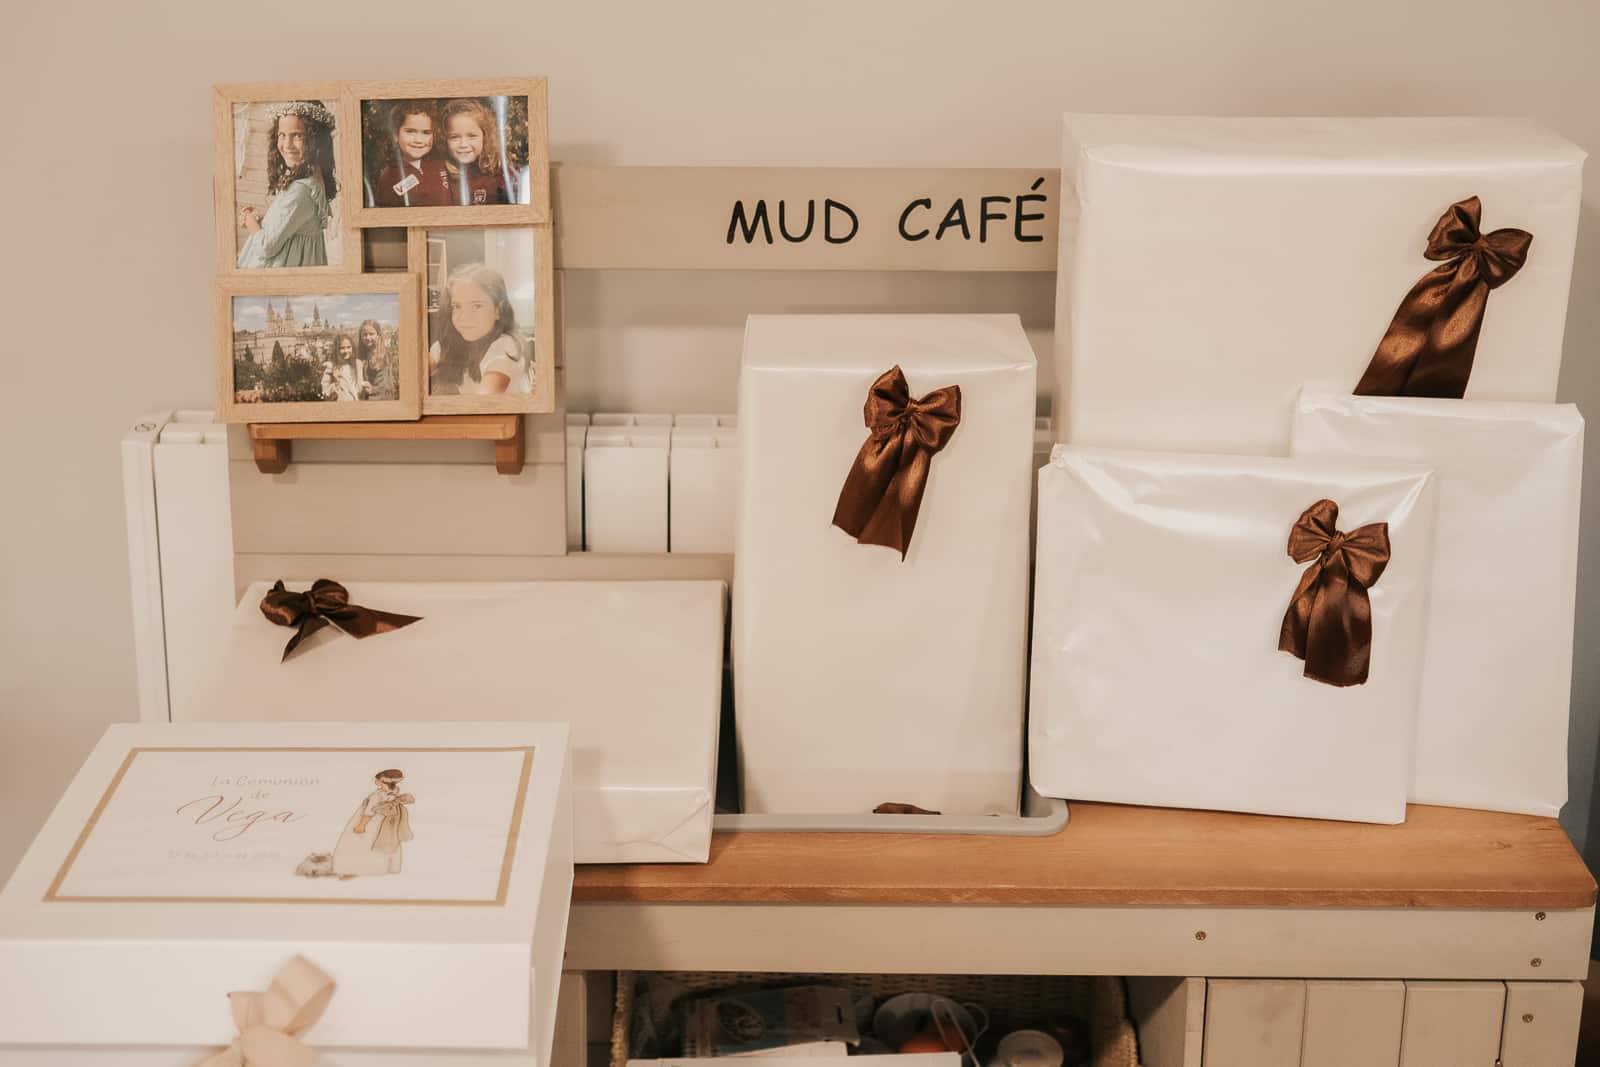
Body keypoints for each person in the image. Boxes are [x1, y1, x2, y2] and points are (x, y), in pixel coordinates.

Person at [236, 100, 339, 269]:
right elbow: (289, 224)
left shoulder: (300, 191)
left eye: (297, 135)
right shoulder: (312, 182)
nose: (287, 145)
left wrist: (249, 221)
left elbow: (266, 247)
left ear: (315, 140)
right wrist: (260, 220)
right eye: (282, 135)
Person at [429, 264, 532, 396]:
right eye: (457, 306)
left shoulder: (506, 347)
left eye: (476, 306)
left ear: (498, 310)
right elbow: (412, 375)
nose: (464, 317)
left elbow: (483, 403)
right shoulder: (451, 343)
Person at [330, 769, 414, 878]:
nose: (375, 781)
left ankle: (358, 868)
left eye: (377, 779)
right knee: (388, 840)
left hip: (372, 823)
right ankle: (386, 867)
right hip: (388, 822)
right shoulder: (395, 792)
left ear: (382, 781)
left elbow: (368, 812)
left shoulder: (377, 796)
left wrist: (361, 825)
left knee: (362, 843)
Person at [370, 102, 449, 208]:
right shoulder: (389, 178)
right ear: (395, 135)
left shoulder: (440, 163)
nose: (419, 140)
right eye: (410, 131)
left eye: (426, 133)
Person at [440, 98, 513, 205]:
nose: (463, 144)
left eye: (472, 136)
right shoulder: (440, 172)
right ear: (445, 139)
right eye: (454, 137)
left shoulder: (499, 173)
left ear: (485, 137)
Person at [358, 319, 398, 400]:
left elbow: (388, 387)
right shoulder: (361, 356)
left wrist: (373, 389)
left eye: (371, 334)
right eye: (365, 334)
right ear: (361, 337)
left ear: (378, 335)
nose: (368, 337)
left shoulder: (386, 357)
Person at [320, 333, 364, 401]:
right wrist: (336, 382)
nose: (346, 351)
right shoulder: (331, 366)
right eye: (342, 348)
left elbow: (359, 387)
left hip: (356, 402)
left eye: (348, 347)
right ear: (336, 350)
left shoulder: (357, 364)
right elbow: (325, 392)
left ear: (352, 347)